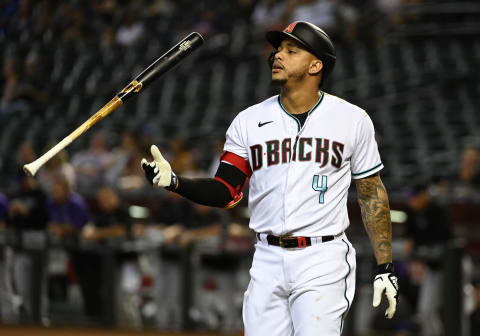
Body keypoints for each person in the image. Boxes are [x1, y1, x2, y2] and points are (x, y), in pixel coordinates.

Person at [141, 21, 398, 335]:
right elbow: (226, 191)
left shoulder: (352, 120)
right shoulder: (248, 121)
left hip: (322, 257)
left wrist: (385, 266)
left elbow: (371, 193)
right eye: (278, 49)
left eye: (291, 50)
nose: (278, 55)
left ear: (316, 65)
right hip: (267, 257)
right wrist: (175, 182)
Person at [403, 183, 452, 336]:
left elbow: (443, 238)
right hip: (433, 269)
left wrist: (418, 246)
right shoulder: (412, 213)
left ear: (424, 194)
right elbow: (410, 238)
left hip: (453, 268)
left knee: (456, 310)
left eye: (415, 197)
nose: (412, 201)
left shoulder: (437, 210)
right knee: (427, 311)